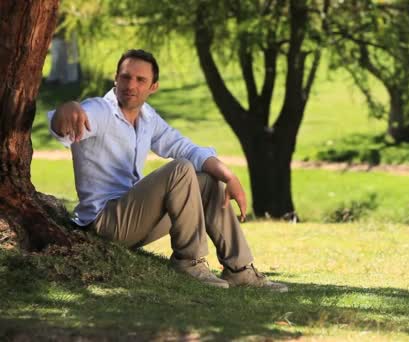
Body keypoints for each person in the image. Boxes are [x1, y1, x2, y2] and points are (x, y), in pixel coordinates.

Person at [47, 49, 287, 292]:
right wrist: (67, 109)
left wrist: (229, 176)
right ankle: (188, 262)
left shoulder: (148, 117)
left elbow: (187, 149)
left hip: (137, 222)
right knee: (180, 169)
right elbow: (64, 123)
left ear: (153, 87)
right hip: (105, 223)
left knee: (208, 180)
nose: (131, 85)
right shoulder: (100, 110)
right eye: (126, 77)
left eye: (140, 80)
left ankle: (240, 270)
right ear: (115, 79)